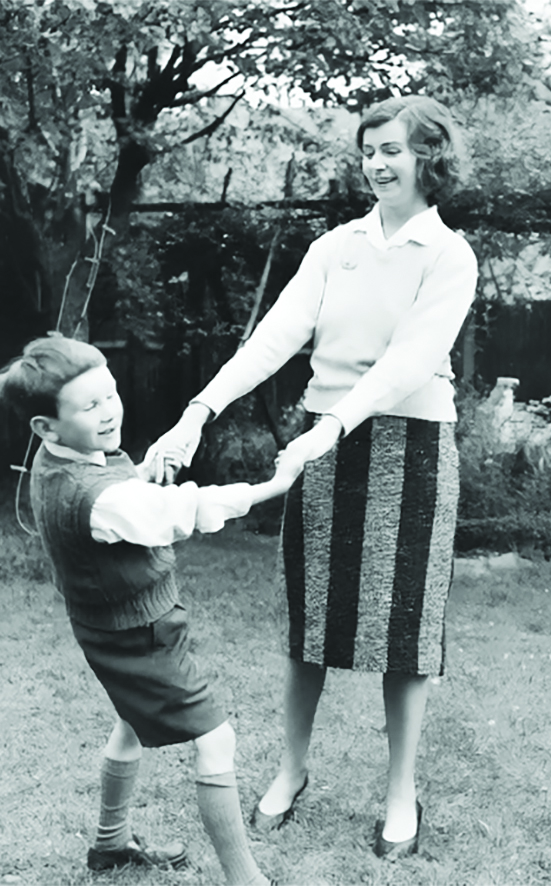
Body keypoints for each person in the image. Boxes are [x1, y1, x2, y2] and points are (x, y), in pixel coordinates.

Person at [150, 94, 478, 859]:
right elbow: (276, 337)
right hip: (322, 442)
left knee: (404, 627)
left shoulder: (448, 255)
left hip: (411, 445)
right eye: (369, 149)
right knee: (312, 619)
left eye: (392, 149)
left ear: (429, 157)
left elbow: (409, 361)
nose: (377, 163)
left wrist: (331, 427)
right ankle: (291, 770)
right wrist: (199, 411)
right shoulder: (336, 247)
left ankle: (401, 791)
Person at [0, 334, 294, 886]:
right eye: (90, 405)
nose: (110, 411)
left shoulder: (61, 460)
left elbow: (122, 495)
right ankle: (248, 881)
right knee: (216, 740)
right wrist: (274, 485)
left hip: (112, 626)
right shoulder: (97, 496)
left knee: (131, 724)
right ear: (45, 427)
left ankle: (110, 844)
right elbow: (176, 511)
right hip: (137, 636)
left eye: (110, 394)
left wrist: (146, 470)